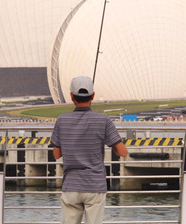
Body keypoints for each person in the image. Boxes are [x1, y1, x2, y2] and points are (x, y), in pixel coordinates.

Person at [51, 76, 128, 224]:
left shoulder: (62, 120)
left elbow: (56, 154)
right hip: (94, 185)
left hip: (71, 186)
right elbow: (123, 152)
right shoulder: (103, 120)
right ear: (93, 96)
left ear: (71, 96)